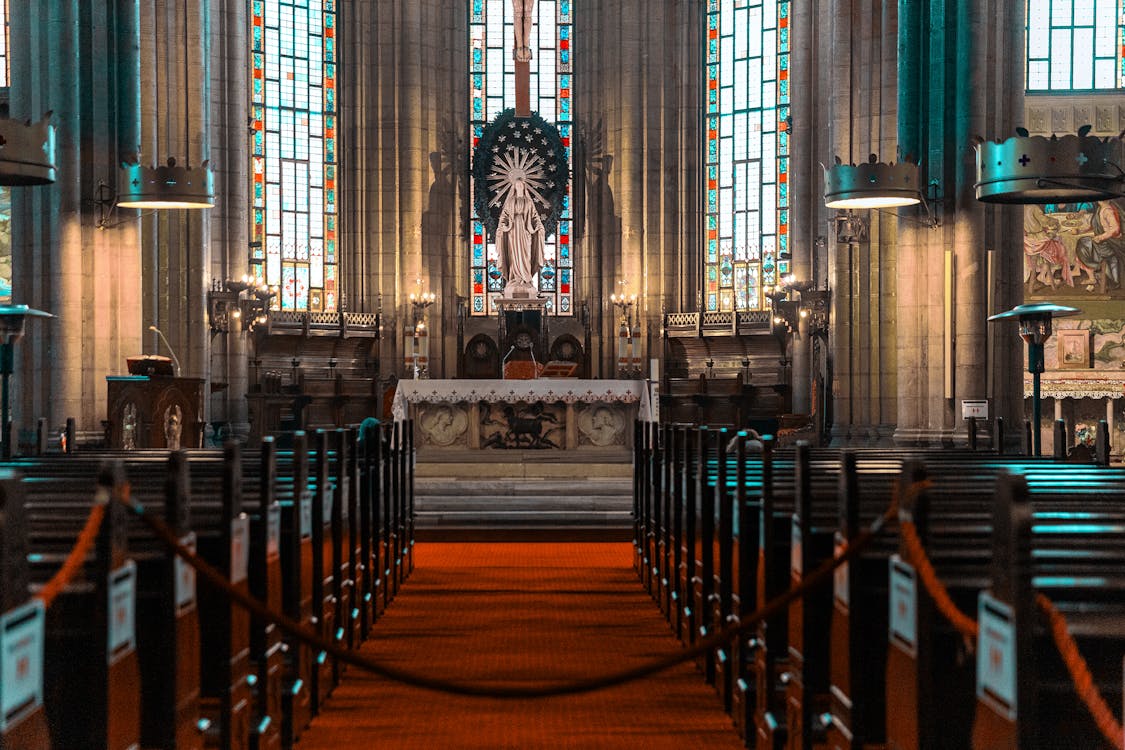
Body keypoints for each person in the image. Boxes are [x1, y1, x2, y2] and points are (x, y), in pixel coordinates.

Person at [495, 177, 545, 295]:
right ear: (514, 187)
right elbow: (504, 216)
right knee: (514, 255)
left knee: (525, 255)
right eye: (516, 186)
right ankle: (514, 278)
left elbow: (534, 216)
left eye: (520, 185)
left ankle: (526, 278)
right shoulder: (510, 201)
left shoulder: (528, 202)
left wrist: (539, 227)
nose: (519, 187)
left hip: (525, 232)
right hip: (513, 232)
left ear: (523, 187)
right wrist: (502, 226)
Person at [1075, 201, 1125, 294]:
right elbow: (1095, 225)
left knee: (1083, 244)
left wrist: (1100, 237)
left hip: (1110, 243)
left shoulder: (1107, 210)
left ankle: (1099, 271)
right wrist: (1080, 231)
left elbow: (1115, 229)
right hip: (1104, 241)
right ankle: (1096, 274)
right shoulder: (1100, 208)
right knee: (1083, 242)